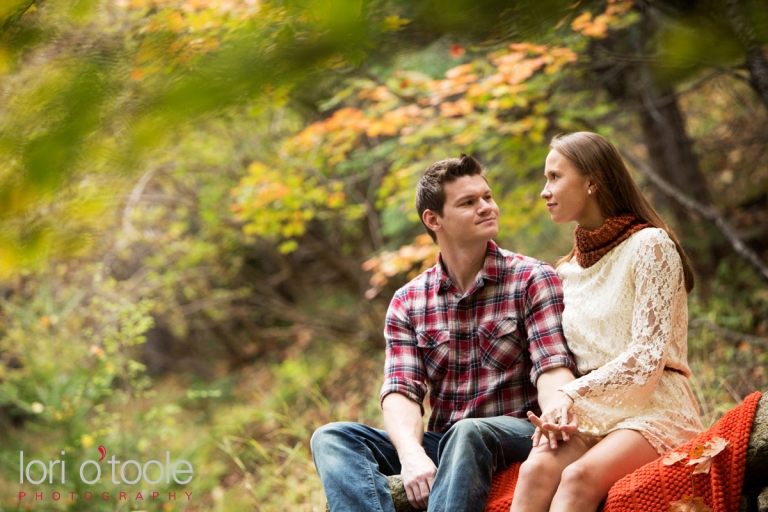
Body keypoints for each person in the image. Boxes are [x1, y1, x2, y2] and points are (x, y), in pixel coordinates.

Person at [311, 154, 577, 512]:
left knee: (469, 431)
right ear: (433, 219)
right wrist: (411, 456)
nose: (486, 207)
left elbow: (551, 366)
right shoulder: (408, 301)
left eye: (487, 197)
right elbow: (401, 392)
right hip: (446, 441)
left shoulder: (532, 278)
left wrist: (557, 409)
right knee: (331, 438)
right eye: (468, 202)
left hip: (517, 431)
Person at [510, 132, 704, 512]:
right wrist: (560, 406)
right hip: (591, 411)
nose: (543, 191)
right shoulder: (564, 272)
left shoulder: (650, 246)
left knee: (577, 479)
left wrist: (571, 396)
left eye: (554, 177)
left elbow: (647, 359)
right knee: (533, 472)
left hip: (657, 405)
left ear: (592, 181)